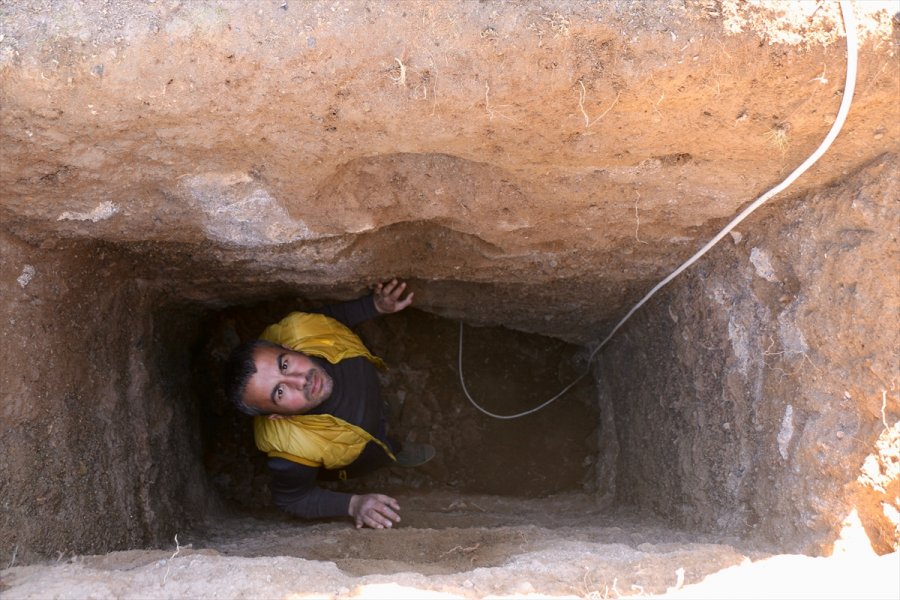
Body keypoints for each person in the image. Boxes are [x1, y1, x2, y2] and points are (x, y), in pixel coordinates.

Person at [222, 279, 434, 529]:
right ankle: (393, 453)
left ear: (287, 346)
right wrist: (353, 505)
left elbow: (329, 319)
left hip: (369, 398)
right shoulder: (291, 454)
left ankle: (382, 411)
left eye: (285, 365)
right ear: (276, 417)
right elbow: (292, 499)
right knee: (379, 450)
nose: (300, 381)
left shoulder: (300, 327)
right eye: (279, 392)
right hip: (359, 451)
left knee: (380, 410)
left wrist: (373, 305)